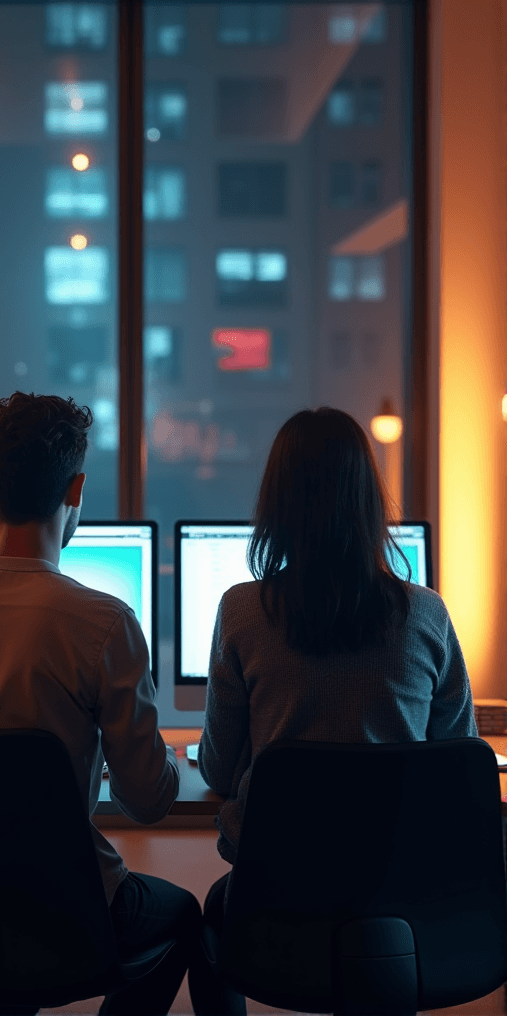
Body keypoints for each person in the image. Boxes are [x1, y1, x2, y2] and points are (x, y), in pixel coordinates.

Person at [0, 391, 201, 1016]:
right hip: (59, 906)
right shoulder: (103, 624)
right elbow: (149, 802)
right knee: (183, 914)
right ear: (77, 488)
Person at [187, 407, 478, 1016]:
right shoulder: (427, 614)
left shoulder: (242, 611)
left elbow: (216, 770)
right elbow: (457, 765)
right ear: (370, 499)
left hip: (275, 892)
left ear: (277, 505)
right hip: (402, 900)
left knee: (208, 912)